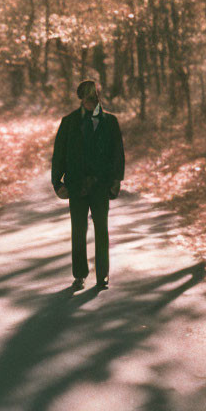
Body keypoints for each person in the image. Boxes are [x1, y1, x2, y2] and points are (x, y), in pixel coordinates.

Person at [51, 80, 125, 290]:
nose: (90, 100)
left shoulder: (110, 121)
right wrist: (57, 183)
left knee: (101, 229)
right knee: (78, 230)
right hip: (76, 185)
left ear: (98, 97)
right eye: (87, 96)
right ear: (81, 97)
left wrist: (116, 180)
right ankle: (79, 274)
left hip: (101, 184)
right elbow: (59, 155)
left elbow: (117, 153)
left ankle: (102, 275)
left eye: (93, 96)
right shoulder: (69, 122)